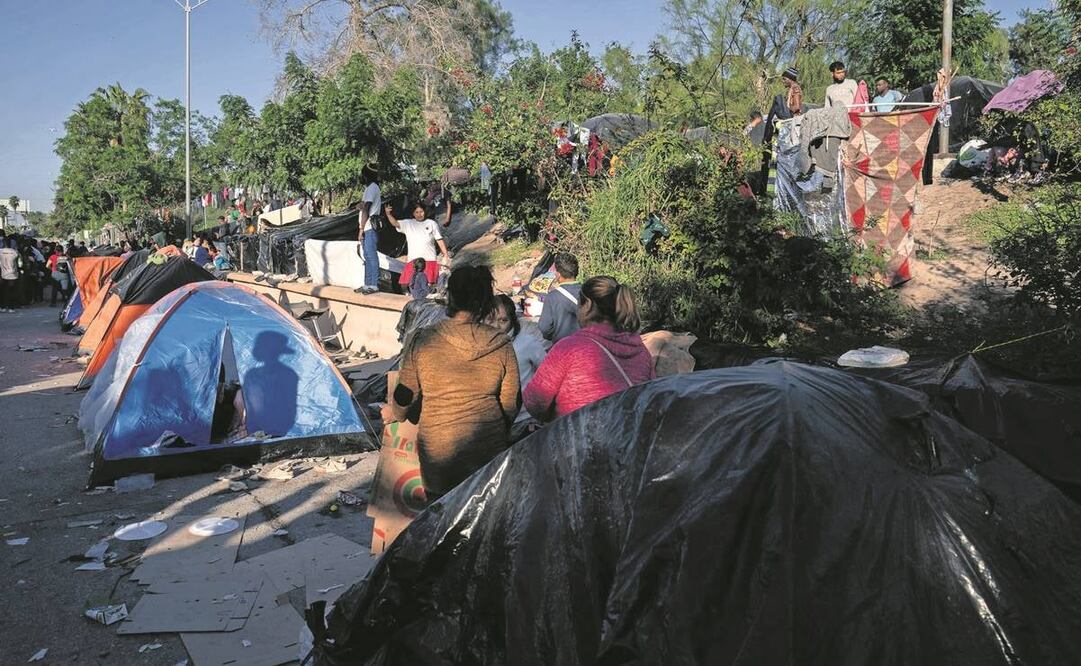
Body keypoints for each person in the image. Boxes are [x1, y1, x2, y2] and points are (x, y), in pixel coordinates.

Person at [384, 265, 520, 500]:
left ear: (450, 297)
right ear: (485, 302)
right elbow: (512, 402)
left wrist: (395, 413)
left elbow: (406, 394)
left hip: (439, 453)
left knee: (440, 521)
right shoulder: (501, 343)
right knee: (482, 520)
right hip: (487, 451)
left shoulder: (424, 339)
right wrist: (497, 429)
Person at [523, 276, 655, 421]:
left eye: (579, 304)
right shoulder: (640, 350)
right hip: (628, 439)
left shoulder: (569, 349)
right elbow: (650, 397)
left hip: (579, 439)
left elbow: (534, 402)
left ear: (588, 305)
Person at [383, 202, 450, 291]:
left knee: (429, 284)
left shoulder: (431, 223)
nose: (419, 214)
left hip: (429, 259)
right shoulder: (408, 223)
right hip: (414, 260)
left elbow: (439, 239)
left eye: (421, 211)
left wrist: (445, 255)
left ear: (425, 212)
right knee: (405, 283)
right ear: (413, 214)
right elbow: (395, 224)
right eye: (417, 212)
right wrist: (388, 214)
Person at [759, 67, 805, 195]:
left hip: (791, 120)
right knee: (777, 102)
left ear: (790, 79)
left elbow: (796, 107)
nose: (783, 81)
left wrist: (786, 108)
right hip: (788, 120)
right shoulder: (791, 89)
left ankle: (766, 137)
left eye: (784, 79)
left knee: (777, 100)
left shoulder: (795, 88)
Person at [538, 252, 582, 344]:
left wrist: (554, 336)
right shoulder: (587, 292)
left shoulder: (552, 297)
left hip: (563, 347)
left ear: (558, 274)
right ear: (577, 271)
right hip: (587, 345)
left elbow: (544, 328)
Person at [355, 166, 382, 295]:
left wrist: (361, 228)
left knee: (371, 255)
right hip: (366, 226)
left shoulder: (372, 188)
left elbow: (366, 208)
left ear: (366, 176)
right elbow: (363, 206)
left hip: (369, 226)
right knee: (366, 256)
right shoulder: (369, 189)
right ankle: (367, 284)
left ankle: (374, 285)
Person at [0, 238, 19, 313]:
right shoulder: (14, 252)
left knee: (2, 291)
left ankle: (2, 306)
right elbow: (18, 261)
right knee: (11, 290)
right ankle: (11, 307)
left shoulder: (0, 251)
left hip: (2, 273)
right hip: (12, 273)